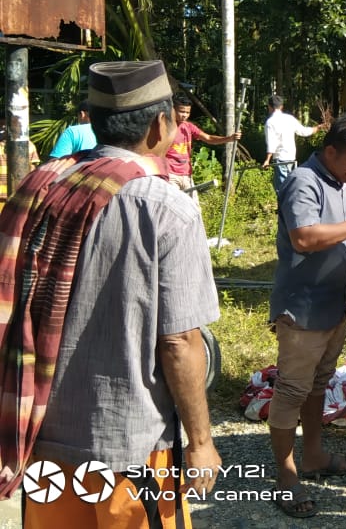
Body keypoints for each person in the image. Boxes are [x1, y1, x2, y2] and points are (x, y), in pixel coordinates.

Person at [0, 60, 220, 528]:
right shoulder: (166, 208)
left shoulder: (42, 185)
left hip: (42, 435)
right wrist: (201, 440)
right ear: (161, 124)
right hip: (129, 445)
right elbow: (180, 341)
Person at [267, 113, 346, 518]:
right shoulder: (303, 182)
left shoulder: (341, 179)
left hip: (331, 306)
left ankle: (314, 454)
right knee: (291, 390)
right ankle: (285, 475)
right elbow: (304, 238)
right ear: (330, 150)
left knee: (319, 383)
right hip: (301, 309)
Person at [166, 93, 241, 197]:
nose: (185, 115)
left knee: (194, 209)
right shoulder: (164, 128)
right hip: (170, 174)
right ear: (172, 109)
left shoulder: (188, 127)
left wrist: (229, 138)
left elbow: (208, 138)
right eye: (181, 111)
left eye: (187, 112)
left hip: (186, 174)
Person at [262, 94, 324, 195]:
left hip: (280, 158)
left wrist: (267, 160)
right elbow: (303, 131)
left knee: (282, 188)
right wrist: (317, 128)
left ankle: (285, 208)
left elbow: (271, 142)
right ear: (281, 106)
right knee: (291, 185)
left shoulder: (270, 122)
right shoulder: (289, 119)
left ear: (269, 107)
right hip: (291, 156)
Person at [0, 118, 41, 205]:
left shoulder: (29, 146)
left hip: (18, 197)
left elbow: (33, 171)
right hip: (16, 197)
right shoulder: (29, 145)